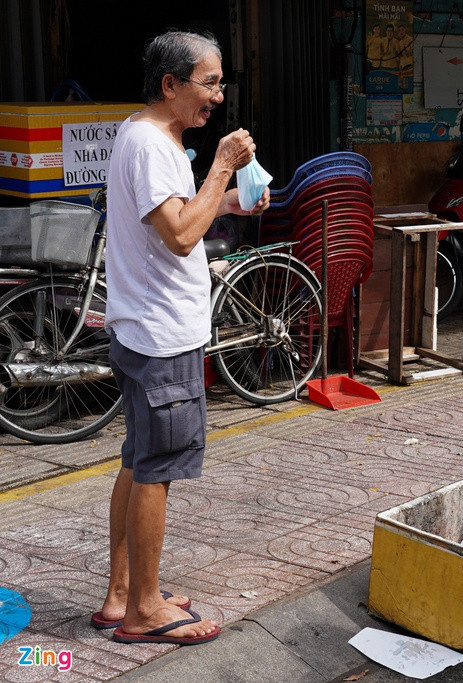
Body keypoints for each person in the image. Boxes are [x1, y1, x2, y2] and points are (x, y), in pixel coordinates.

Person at [94, 30, 269, 646]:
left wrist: (228, 202)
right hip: (160, 334)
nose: (217, 97)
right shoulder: (149, 143)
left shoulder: (152, 138)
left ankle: (122, 594)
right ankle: (144, 608)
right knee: (157, 469)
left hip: (148, 327)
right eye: (210, 82)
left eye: (221, 83)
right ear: (170, 85)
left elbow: (177, 219)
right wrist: (223, 165)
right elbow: (179, 237)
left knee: (139, 460)